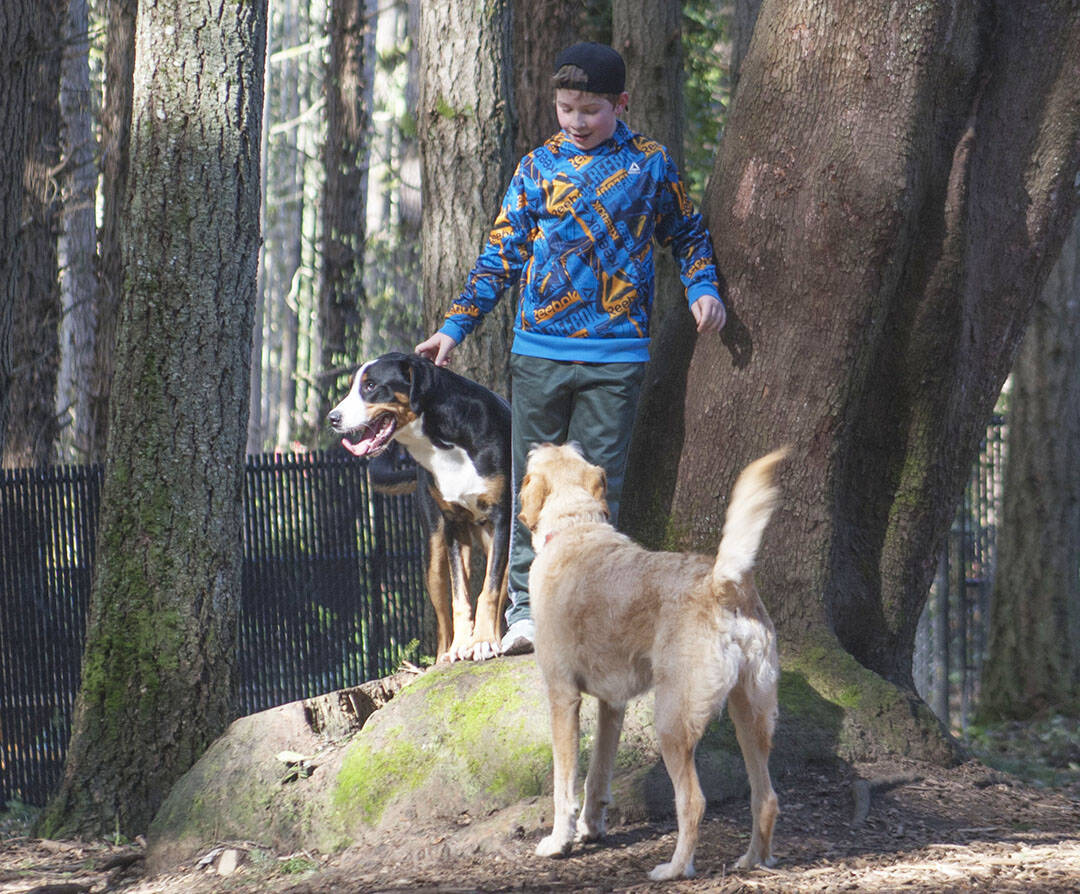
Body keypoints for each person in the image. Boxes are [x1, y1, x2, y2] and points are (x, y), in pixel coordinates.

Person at [416, 41, 725, 655]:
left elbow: (687, 232)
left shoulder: (649, 164)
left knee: (592, 491)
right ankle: (528, 614)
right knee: (532, 486)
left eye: (590, 111)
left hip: (618, 357)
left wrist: (702, 286)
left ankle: (591, 608)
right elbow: (499, 254)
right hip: (539, 353)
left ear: (621, 103)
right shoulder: (536, 168)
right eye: (565, 110)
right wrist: (455, 327)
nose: (577, 123)